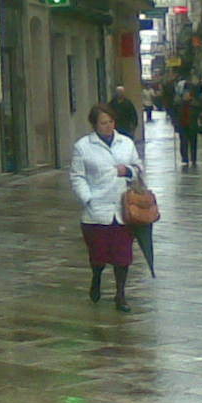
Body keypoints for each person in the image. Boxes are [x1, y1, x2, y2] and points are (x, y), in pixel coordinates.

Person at [69, 103, 142, 312]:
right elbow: (77, 176)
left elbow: (138, 166)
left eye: (111, 122)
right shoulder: (83, 146)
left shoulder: (126, 143)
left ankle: (120, 294)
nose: (108, 126)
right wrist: (88, 198)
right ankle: (97, 277)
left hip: (122, 209)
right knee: (98, 255)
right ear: (95, 125)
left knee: (123, 255)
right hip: (97, 210)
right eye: (103, 123)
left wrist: (128, 171)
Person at [174, 86, 201, 166]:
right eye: (184, 95)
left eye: (187, 95)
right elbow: (176, 115)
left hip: (192, 126)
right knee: (183, 143)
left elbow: (198, 114)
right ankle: (185, 158)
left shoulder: (195, 104)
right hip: (183, 126)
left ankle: (193, 158)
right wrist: (176, 124)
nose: (185, 96)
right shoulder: (179, 104)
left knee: (193, 143)